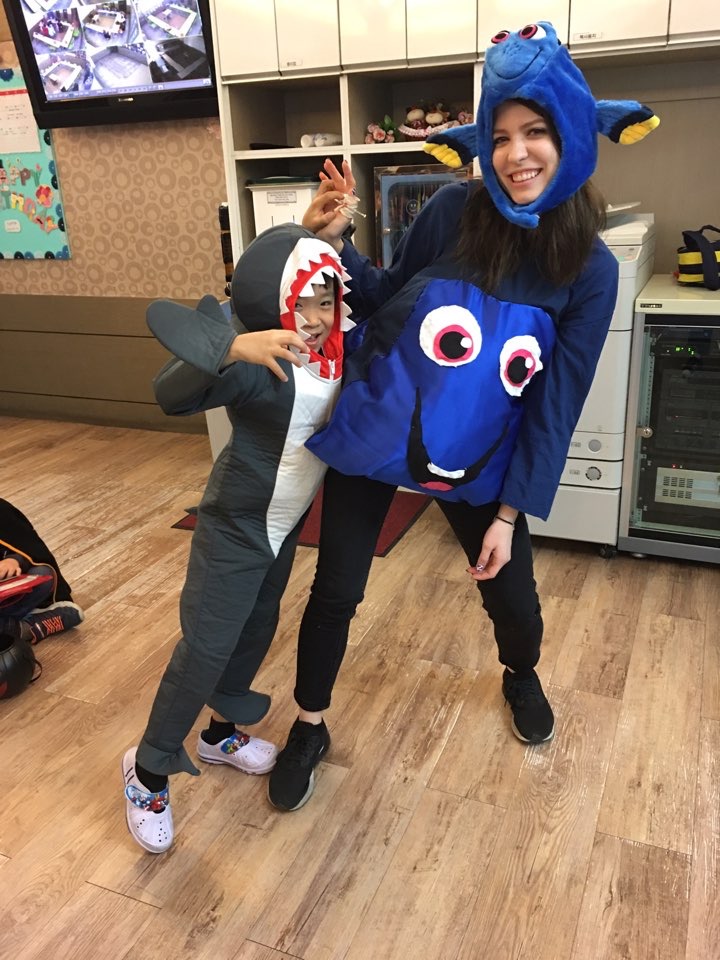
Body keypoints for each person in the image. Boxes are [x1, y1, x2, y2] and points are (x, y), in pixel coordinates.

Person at [266, 20, 660, 812]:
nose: (516, 154)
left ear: (571, 133)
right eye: (501, 135)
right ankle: (309, 723)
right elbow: (386, 297)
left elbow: (556, 402)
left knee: (512, 598)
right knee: (335, 588)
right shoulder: (452, 209)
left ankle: (521, 674)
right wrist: (337, 246)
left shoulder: (589, 269)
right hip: (383, 426)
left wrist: (509, 514)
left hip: (483, 457)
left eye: (536, 131)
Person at [122, 224, 353, 854]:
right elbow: (169, 393)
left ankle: (218, 734)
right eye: (303, 302)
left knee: (255, 629)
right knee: (204, 650)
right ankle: (147, 770)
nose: (316, 316)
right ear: (279, 302)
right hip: (234, 528)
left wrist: (320, 234)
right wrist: (230, 346)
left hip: (283, 528)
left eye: (326, 300)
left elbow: (289, 266)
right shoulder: (259, 362)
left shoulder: (332, 352)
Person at [0, 497, 85, 645]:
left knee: (43, 575)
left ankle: (14, 627)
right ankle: (28, 628)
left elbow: (29, 548)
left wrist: (14, 560)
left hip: (7, 595)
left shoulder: (2, 511)